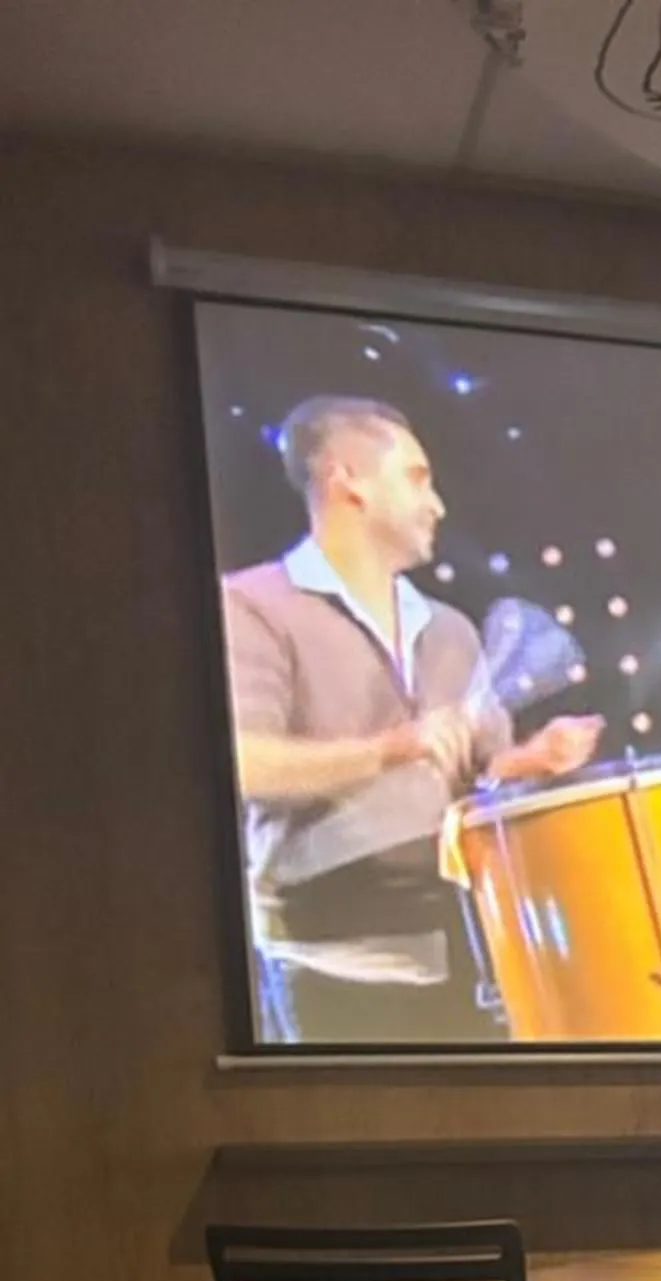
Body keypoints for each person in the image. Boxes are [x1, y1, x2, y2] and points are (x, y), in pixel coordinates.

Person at [222, 396, 603, 1045]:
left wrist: (530, 761)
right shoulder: (253, 604)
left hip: (472, 958)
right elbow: (241, 762)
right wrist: (394, 746)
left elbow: (469, 790)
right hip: (332, 973)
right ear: (347, 479)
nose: (439, 505)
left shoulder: (451, 630)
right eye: (418, 478)